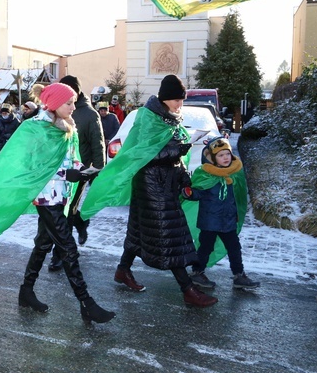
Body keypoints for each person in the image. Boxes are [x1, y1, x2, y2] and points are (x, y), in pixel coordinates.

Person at [0, 82, 115, 324]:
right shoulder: (34, 128)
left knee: (44, 245)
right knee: (68, 248)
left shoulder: (68, 128)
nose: (74, 107)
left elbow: (72, 159)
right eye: (69, 103)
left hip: (61, 195)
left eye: (74, 102)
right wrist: (66, 174)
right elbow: (33, 166)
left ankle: (26, 291)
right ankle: (86, 303)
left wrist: (81, 171)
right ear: (54, 103)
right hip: (45, 197)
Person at [81, 74, 218, 308]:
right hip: (152, 185)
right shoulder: (148, 118)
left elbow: (171, 154)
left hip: (164, 183)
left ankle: (123, 271)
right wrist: (181, 147)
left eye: (181, 100)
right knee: (168, 234)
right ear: (165, 98)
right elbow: (145, 155)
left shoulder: (170, 118)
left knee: (139, 231)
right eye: (176, 100)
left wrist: (183, 174)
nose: (180, 104)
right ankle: (188, 290)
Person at [181, 136, 260, 290]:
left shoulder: (235, 173)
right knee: (206, 248)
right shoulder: (206, 174)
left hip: (228, 221)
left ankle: (239, 275)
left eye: (227, 154)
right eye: (220, 155)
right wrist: (189, 193)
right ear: (212, 158)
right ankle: (197, 272)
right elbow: (199, 192)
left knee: (234, 248)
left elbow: (239, 196)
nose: (225, 158)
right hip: (209, 222)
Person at [48, 74, 105, 272]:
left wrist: (95, 170)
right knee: (57, 213)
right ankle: (80, 222)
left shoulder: (89, 114)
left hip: (78, 173)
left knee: (66, 213)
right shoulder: (56, 110)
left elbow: (98, 145)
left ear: (76, 92)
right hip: (57, 173)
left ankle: (58, 255)